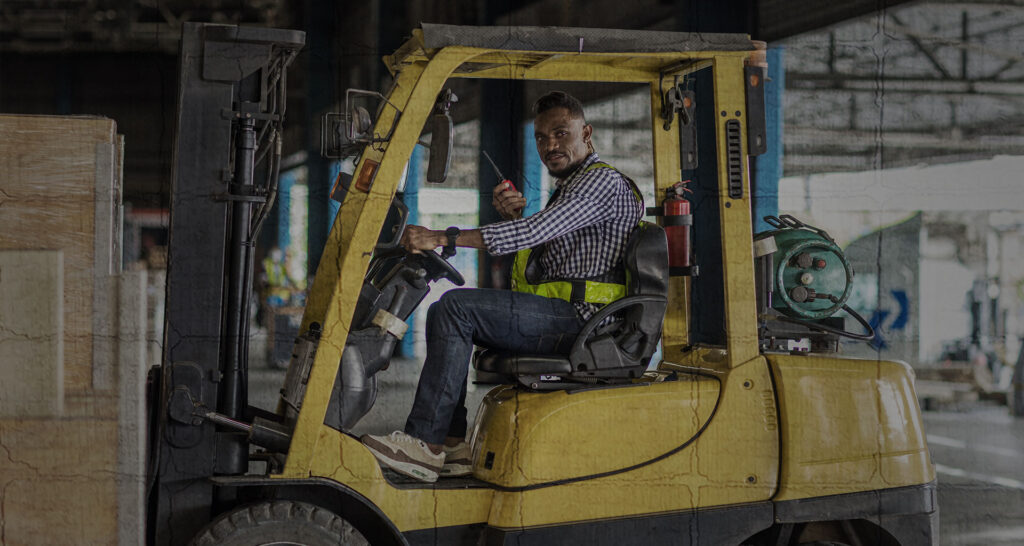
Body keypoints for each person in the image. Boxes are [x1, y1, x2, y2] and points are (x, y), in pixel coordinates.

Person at [361, 91, 643, 482]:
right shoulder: (573, 187)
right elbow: (547, 253)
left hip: (584, 322)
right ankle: (453, 444)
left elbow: (536, 231)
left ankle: (425, 443)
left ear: (587, 132)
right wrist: (517, 217)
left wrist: (441, 237)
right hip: (570, 317)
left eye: (561, 133)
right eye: (542, 138)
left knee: (455, 308)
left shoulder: (600, 183)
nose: (550, 145)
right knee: (452, 309)